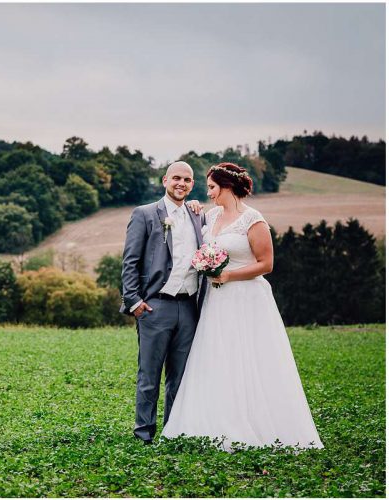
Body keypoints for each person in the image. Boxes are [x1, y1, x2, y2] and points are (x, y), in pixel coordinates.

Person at [161, 162, 323, 451]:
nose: (208, 192)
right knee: (217, 357)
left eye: (211, 187)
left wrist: (228, 275)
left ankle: (257, 423)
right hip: (216, 301)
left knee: (249, 358)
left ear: (227, 186)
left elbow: (266, 264)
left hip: (246, 298)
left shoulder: (253, 219)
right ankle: (213, 423)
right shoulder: (211, 215)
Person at [120, 161, 206, 444]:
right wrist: (134, 301)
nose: (182, 184)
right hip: (155, 306)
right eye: (177, 178)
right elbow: (130, 260)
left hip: (189, 307)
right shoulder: (145, 214)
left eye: (188, 180)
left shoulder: (198, 216)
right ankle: (143, 434)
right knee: (149, 375)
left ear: (193, 185)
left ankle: (173, 432)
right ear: (165, 180)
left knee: (180, 377)